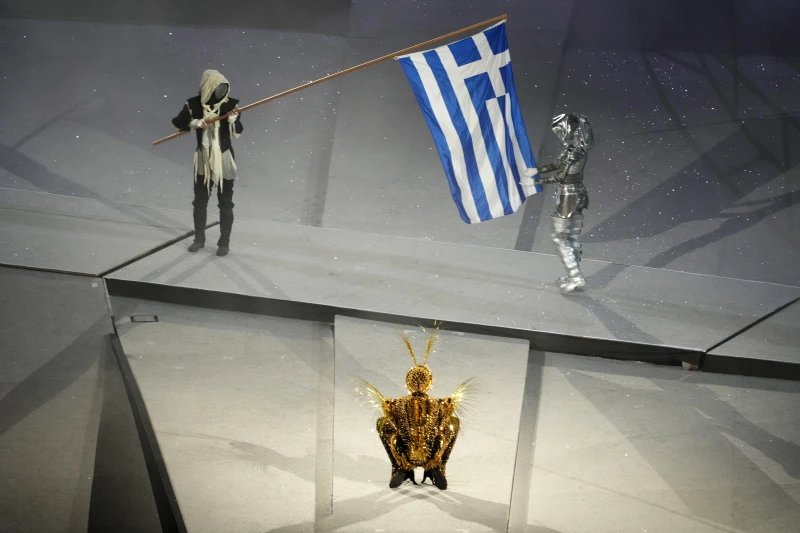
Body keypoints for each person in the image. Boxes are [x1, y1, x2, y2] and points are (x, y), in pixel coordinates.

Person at [171, 69, 243, 256]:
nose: (221, 92)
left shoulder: (231, 105)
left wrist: (234, 120)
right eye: (217, 88)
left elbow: (237, 133)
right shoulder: (193, 104)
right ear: (208, 87)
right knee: (200, 202)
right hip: (203, 159)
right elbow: (178, 122)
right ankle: (199, 239)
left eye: (223, 88)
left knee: (226, 203)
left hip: (224, 159)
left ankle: (224, 243)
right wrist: (193, 123)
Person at [538, 113, 593, 292]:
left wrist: (537, 181)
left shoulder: (573, 151)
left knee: (559, 237)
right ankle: (573, 276)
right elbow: (557, 164)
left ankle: (576, 277)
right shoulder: (578, 148)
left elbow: (560, 176)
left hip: (568, 196)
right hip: (579, 193)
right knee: (571, 237)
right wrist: (536, 170)